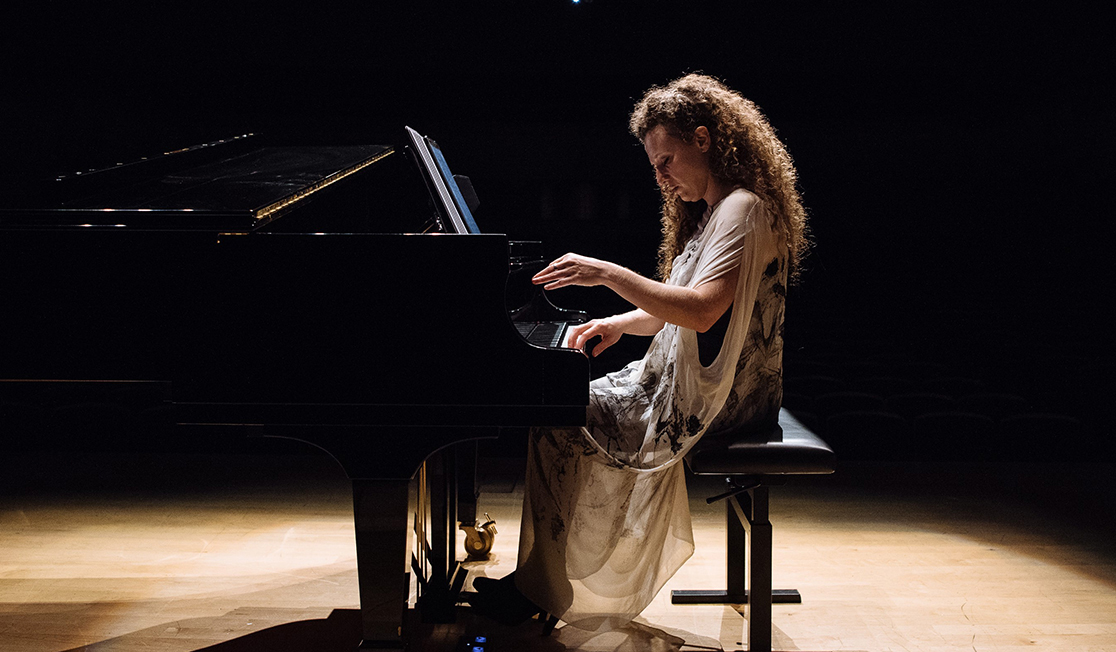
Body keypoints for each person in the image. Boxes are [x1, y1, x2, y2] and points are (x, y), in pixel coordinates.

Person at [470, 73, 810, 632]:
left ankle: (541, 586)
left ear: (704, 139)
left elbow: (700, 311)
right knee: (559, 409)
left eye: (666, 161)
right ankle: (540, 578)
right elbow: (669, 309)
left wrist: (607, 273)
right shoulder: (718, 211)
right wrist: (615, 324)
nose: (661, 177)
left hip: (732, 400)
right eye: (655, 165)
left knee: (559, 418)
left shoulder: (744, 209)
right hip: (712, 385)